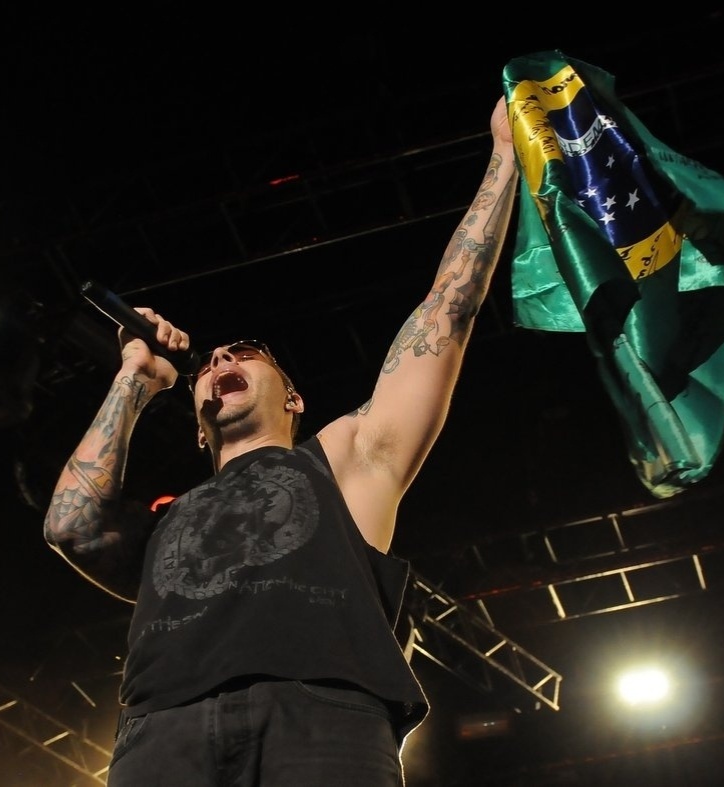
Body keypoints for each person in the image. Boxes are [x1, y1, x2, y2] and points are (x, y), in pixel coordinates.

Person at [42, 94, 518, 787]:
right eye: (209, 363)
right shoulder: (169, 521)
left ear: (293, 397)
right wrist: (135, 378)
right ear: (198, 407)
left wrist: (504, 156)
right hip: (161, 729)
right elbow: (69, 524)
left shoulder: (349, 455)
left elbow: (448, 305)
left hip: (322, 715)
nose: (219, 362)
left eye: (244, 353)